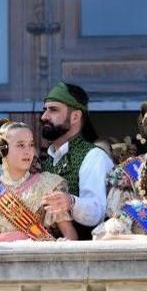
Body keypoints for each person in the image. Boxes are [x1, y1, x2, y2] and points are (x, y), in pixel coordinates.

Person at [0, 120, 77, 242]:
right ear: (2, 149)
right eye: (20, 145)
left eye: (31, 144)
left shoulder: (48, 184)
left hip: (38, 258)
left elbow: (69, 234)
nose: (28, 151)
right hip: (3, 258)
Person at [39, 82, 113, 240]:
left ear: (75, 116)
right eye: (45, 110)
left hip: (82, 259)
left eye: (53, 110)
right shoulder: (45, 161)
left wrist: (71, 202)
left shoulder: (94, 156)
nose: (44, 116)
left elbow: (97, 213)